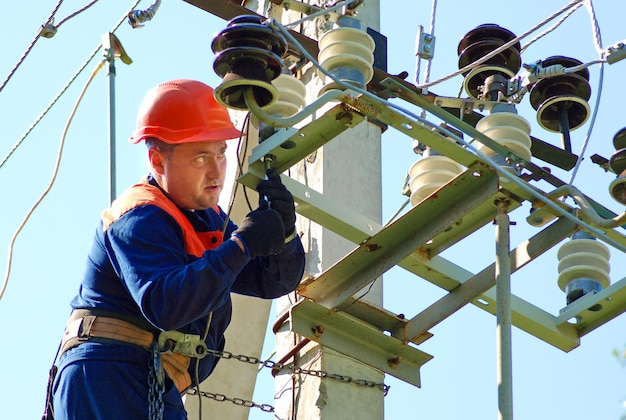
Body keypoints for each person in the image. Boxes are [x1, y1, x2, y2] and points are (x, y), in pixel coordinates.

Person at [43, 79, 305, 419]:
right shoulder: (140, 215)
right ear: (157, 161)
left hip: (151, 379)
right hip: (110, 371)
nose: (216, 171)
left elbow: (271, 282)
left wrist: (282, 232)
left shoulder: (204, 219)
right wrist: (243, 243)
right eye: (200, 157)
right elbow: (165, 302)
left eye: (221, 154)